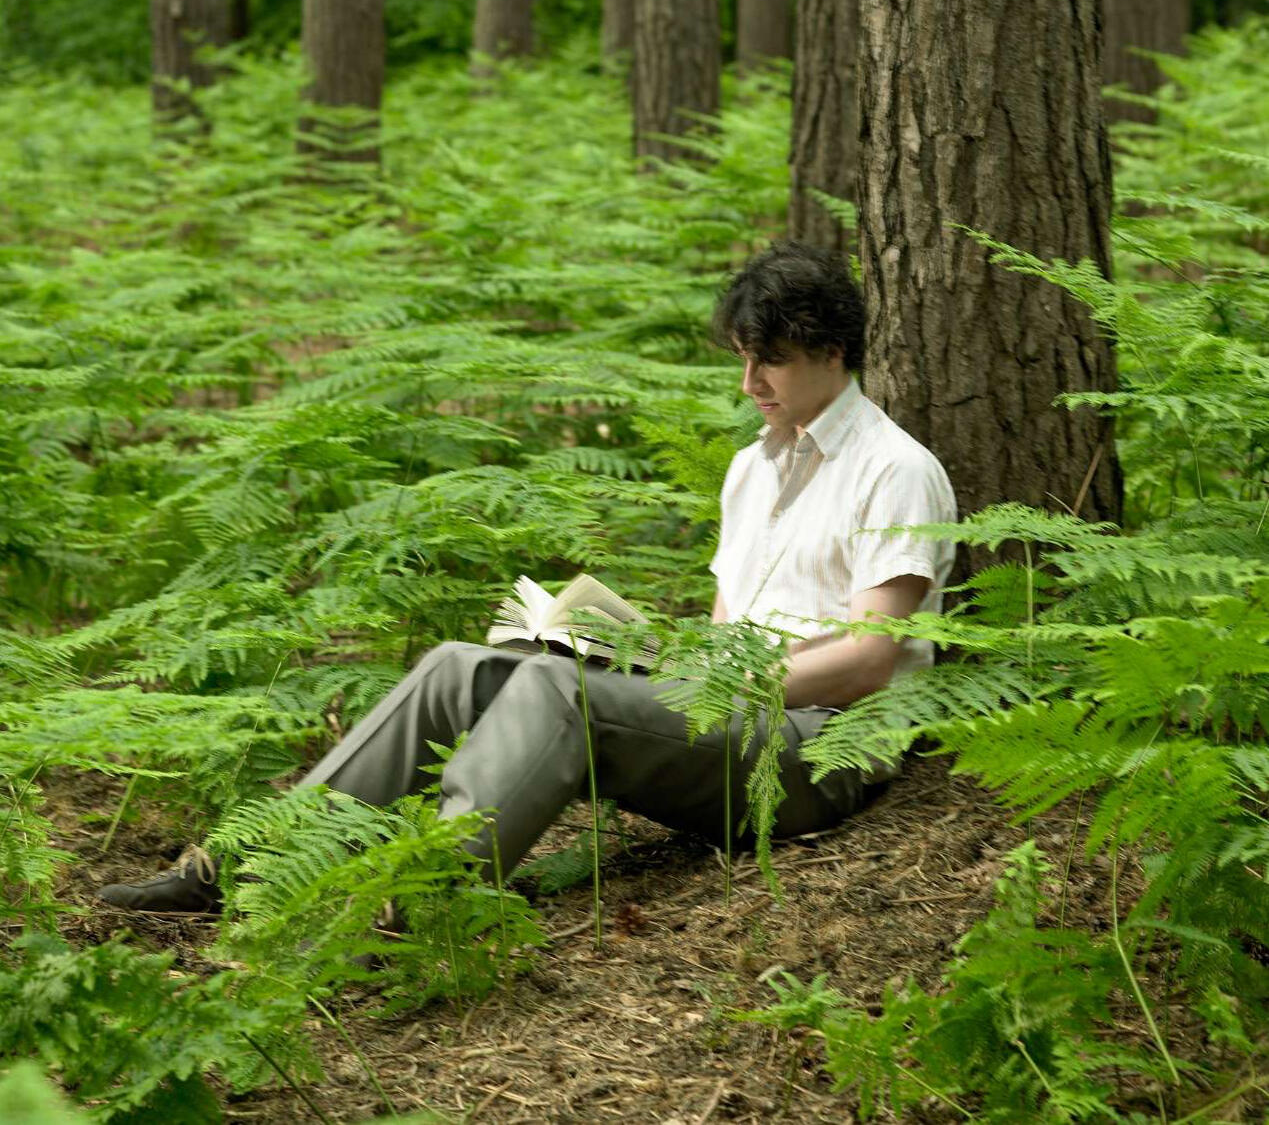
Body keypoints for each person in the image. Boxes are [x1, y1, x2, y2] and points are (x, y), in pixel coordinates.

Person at [100, 242, 958, 915]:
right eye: (740, 358)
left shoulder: (893, 469)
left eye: (767, 360)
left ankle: (433, 900)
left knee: (556, 692)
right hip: (727, 713)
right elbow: (724, 626)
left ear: (831, 349)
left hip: (815, 751)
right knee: (453, 669)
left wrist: (713, 683)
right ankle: (243, 864)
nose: (748, 383)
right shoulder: (750, 468)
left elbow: (866, 662)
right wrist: (649, 652)